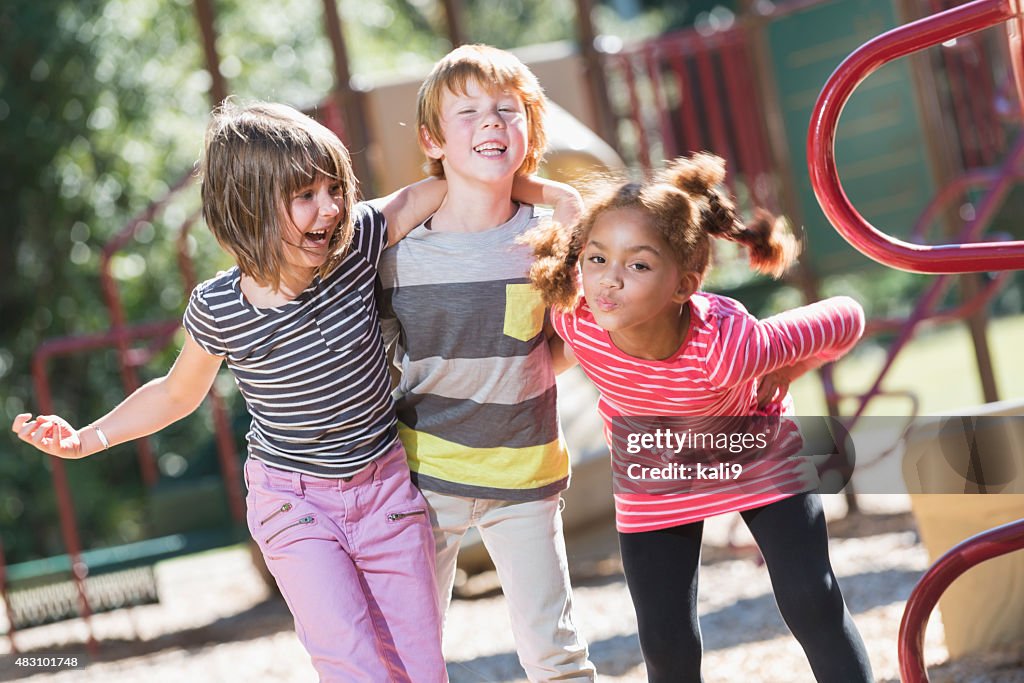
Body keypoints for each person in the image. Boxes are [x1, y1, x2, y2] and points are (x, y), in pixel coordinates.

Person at [12, 100, 578, 683]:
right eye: (305, 196)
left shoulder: (356, 247)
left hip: (385, 492)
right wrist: (90, 436)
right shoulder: (220, 307)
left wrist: (552, 196)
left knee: (418, 668)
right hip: (294, 501)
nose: (330, 208)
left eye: (334, 189)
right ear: (247, 208)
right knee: (352, 662)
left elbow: (435, 192)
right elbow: (175, 393)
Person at [526, 152, 874, 683]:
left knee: (811, 601)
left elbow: (847, 316)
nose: (608, 281)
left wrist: (792, 367)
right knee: (665, 642)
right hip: (655, 467)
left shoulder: (729, 347)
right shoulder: (577, 320)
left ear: (685, 285)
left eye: (637, 265)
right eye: (596, 259)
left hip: (754, 450)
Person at [377, 45, 596, 681]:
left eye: (508, 110)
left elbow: (560, 347)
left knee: (556, 653)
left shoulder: (548, 236)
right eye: (467, 112)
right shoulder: (395, 251)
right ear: (432, 138)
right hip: (424, 478)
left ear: (532, 129)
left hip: (525, 474)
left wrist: (561, 198)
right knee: (406, 652)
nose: (492, 122)